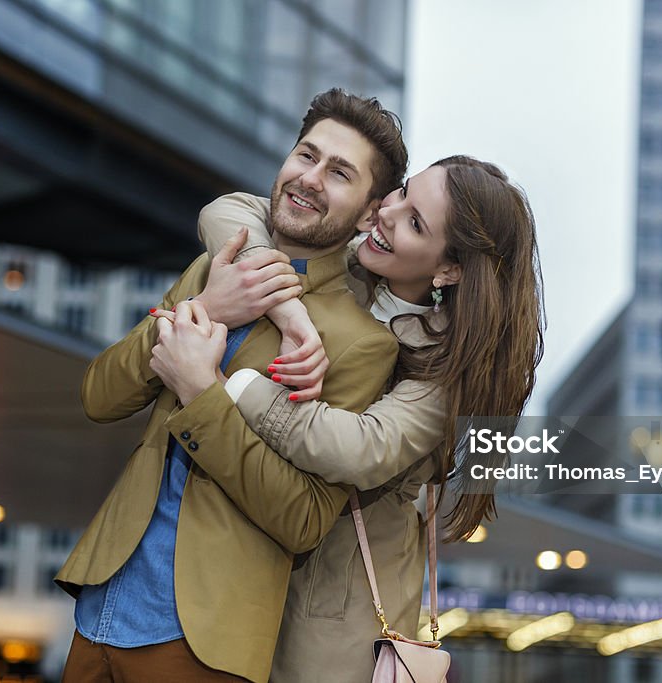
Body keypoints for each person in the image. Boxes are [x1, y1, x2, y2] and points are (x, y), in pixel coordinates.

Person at [55, 89, 409, 683]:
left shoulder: (360, 343)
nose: (310, 178)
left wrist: (203, 395)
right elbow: (99, 396)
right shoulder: (215, 264)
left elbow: (305, 519)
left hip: (204, 634)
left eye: (340, 172)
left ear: (371, 213)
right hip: (103, 602)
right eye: (306, 155)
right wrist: (207, 304)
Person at [155, 155, 545, 681]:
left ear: (449, 269)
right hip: (249, 572)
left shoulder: (445, 367)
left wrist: (229, 388)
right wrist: (293, 316)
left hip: (339, 612)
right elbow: (228, 211)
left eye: (415, 222)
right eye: (403, 192)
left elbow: (362, 449)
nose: (388, 211)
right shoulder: (341, 265)